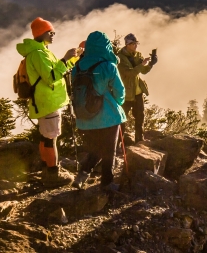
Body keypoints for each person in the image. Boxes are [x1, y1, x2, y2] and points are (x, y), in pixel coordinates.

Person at [16, 17, 80, 188]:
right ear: (41, 33)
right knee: (51, 138)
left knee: (46, 137)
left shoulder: (41, 51)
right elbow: (51, 77)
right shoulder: (38, 54)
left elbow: (57, 70)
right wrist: (66, 58)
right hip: (48, 102)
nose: (53, 35)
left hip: (46, 101)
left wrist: (73, 59)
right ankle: (53, 174)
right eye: (50, 32)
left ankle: (47, 169)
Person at [71, 31, 126, 191]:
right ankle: (107, 183)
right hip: (108, 116)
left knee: (96, 149)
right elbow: (120, 92)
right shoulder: (109, 66)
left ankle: (82, 174)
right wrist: (118, 103)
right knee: (109, 150)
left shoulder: (78, 66)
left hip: (84, 117)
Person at [117, 33, 156, 143]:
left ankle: (139, 140)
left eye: (136, 43)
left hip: (138, 92)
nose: (135, 46)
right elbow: (129, 73)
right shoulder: (120, 58)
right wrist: (142, 64)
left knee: (140, 117)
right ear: (127, 44)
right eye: (133, 44)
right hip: (126, 93)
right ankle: (119, 143)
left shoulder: (138, 55)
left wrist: (151, 64)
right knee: (122, 119)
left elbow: (143, 71)